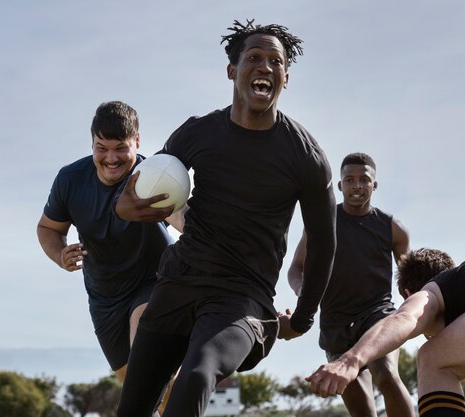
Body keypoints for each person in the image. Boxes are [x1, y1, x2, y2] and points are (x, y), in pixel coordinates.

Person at [114, 19, 337, 417]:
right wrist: (125, 207)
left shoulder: (307, 157)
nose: (265, 66)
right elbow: (143, 188)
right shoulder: (197, 134)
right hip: (179, 284)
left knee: (197, 375)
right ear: (232, 70)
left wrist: (302, 320)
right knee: (132, 407)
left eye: (276, 61)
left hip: (242, 301)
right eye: (254, 57)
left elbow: (323, 242)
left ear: (285, 78)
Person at [36, 101, 181, 414]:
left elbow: (184, 218)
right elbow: (48, 228)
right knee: (142, 391)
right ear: (92, 144)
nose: (111, 159)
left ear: (137, 142)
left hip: (153, 281)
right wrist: (60, 253)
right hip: (104, 299)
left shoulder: (151, 176)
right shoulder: (70, 180)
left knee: (151, 367)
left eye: (121, 148)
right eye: (102, 148)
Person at [306, 237, 465, 417]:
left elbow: (405, 318)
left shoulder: (434, 290)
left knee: (432, 358)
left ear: (409, 294)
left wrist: (350, 361)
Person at [288, 152, 414, 417]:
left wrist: (417, 316)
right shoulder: (321, 223)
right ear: (340, 185)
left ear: (374, 185)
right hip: (336, 324)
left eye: (364, 180)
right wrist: (305, 295)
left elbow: (409, 281)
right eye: (350, 180)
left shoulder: (394, 229)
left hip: (378, 315)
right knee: (363, 412)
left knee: (388, 375)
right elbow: (296, 269)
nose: (357, 186)